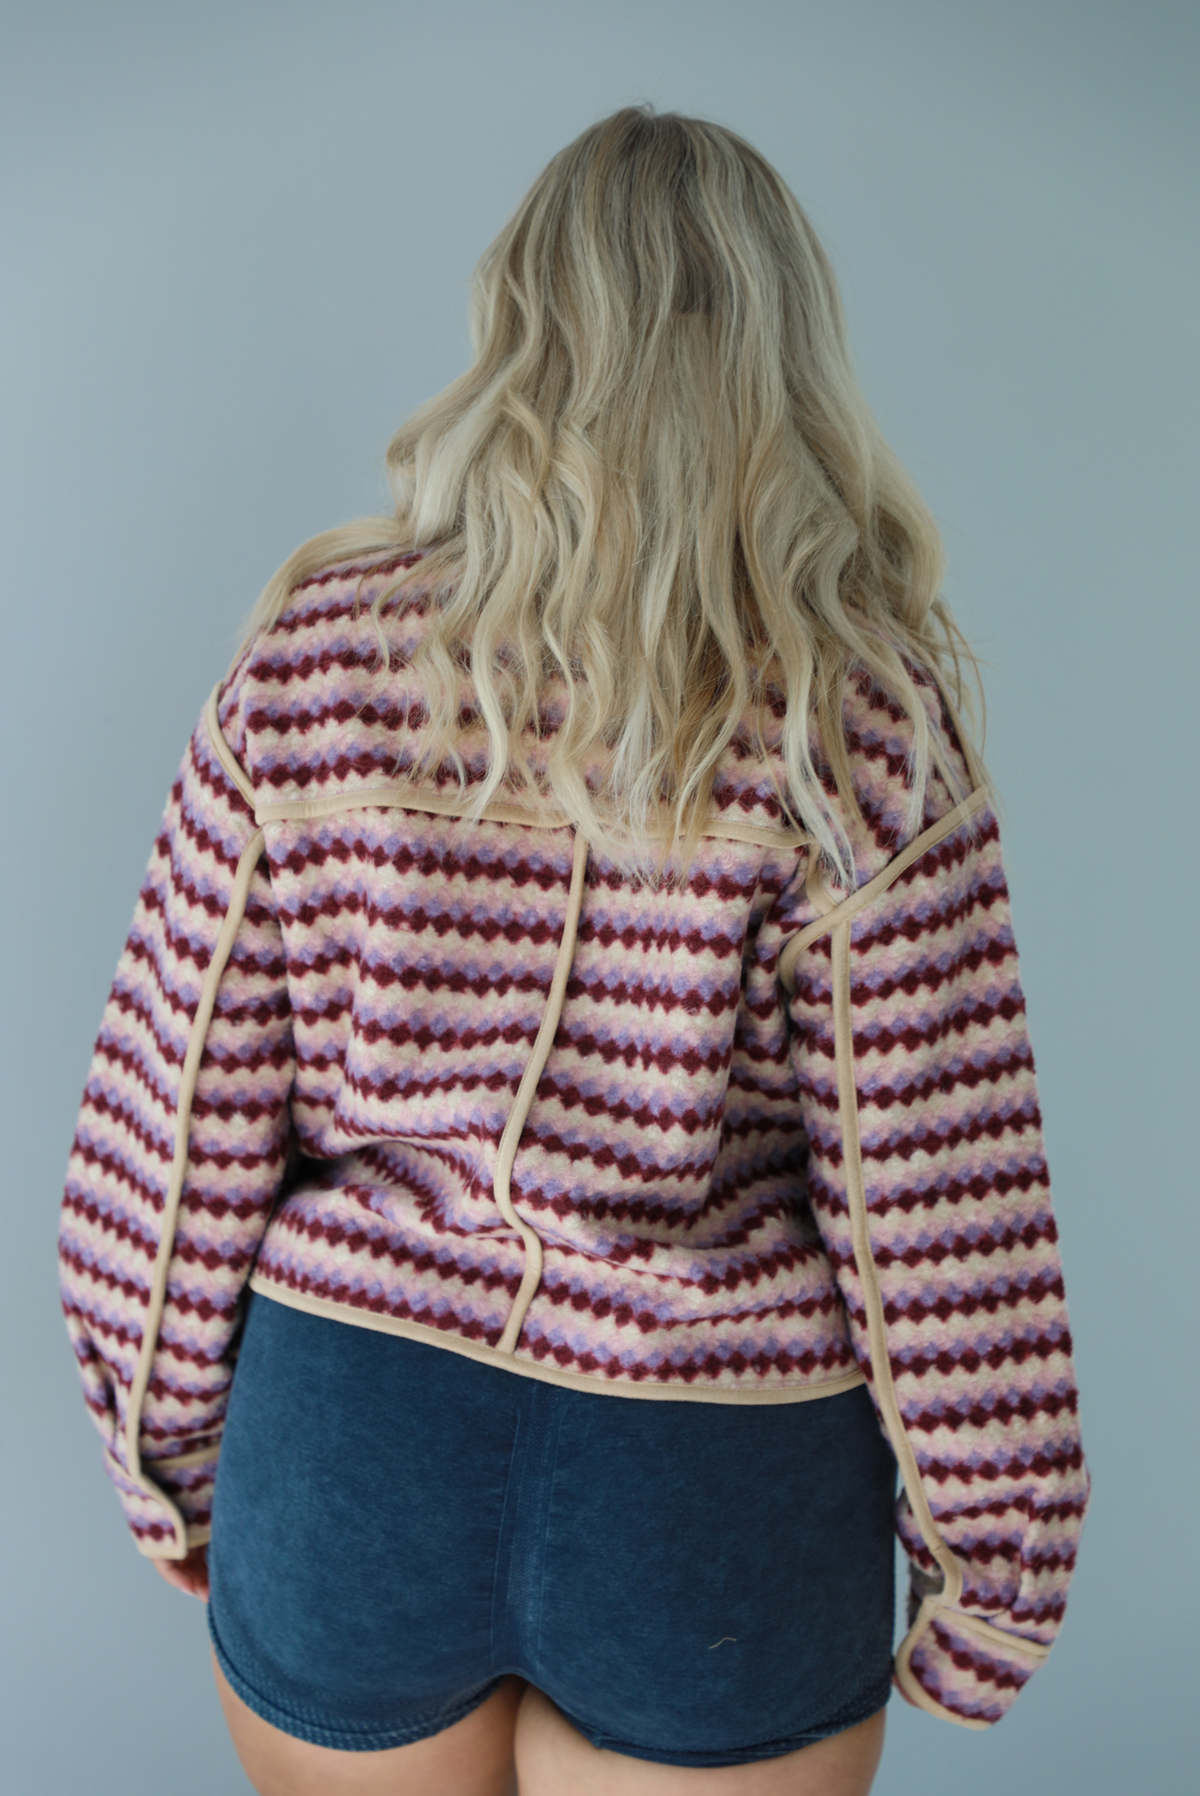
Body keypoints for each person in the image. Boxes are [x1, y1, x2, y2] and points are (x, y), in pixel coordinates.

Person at [59, 106, 1089, 1796]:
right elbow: (941, 1203)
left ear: (515, 330)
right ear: (785, 357)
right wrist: (997, 1572)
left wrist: (166, 1446)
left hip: (353, 1443)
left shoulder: (317, 659)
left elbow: (170, 1123)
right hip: (711, 1493)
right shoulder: (863, 719)